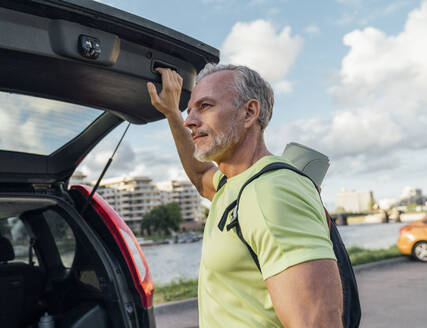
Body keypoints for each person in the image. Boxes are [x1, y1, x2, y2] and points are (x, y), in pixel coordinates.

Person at [147, 64, 343, 328]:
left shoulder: (271, 193)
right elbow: (198, 175)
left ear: (249, 112)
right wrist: (171, 113)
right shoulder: (234, 184)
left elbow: (317, 323)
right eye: (189, 110)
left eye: (205, 107)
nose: (189, 120)